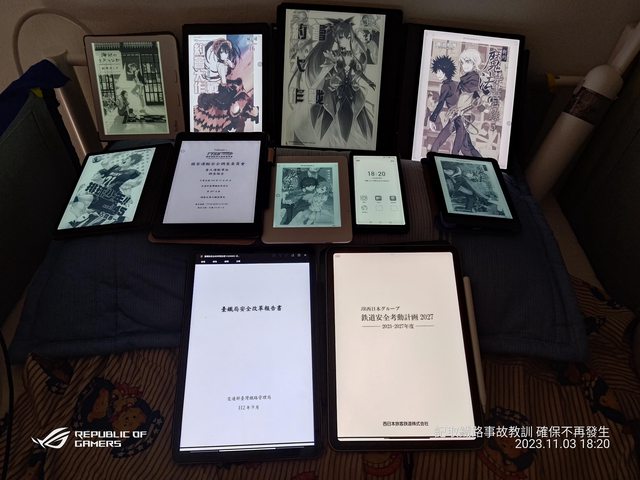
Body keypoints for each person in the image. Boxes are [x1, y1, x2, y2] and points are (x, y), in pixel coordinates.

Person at [451, 48, 483, 157]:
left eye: (468, 62)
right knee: (466, 146)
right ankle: (482, 162)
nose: (464, 65)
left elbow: (470, 94)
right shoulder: (465, 78)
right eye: (463, 62)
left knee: (459, 143)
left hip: (464, 114)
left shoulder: (474, 78)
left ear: (474, 63)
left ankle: (452, 158)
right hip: (460, 113)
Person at [427, 55, 459, 152]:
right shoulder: (455, 84)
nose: (437, 74)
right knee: (466, 146)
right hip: (457, 118)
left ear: (445, 71)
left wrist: (432, 119)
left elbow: (440, 104)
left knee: (439, 141)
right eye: (436, 71)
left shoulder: (445, 86)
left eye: (439, 71)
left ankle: (431, 155)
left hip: (456, 119)